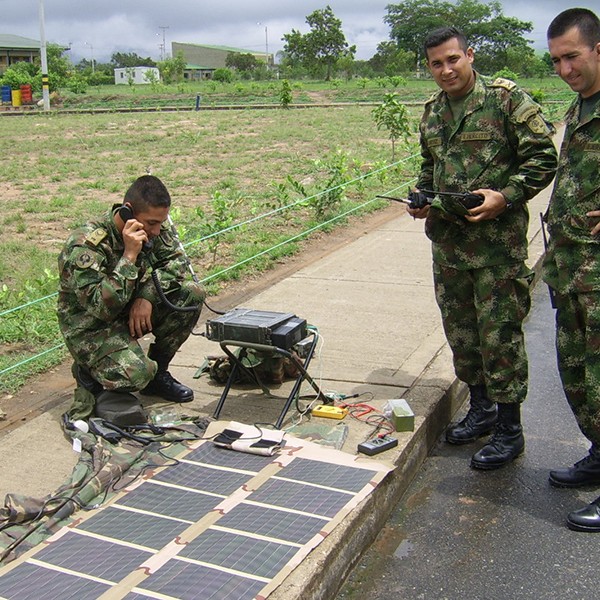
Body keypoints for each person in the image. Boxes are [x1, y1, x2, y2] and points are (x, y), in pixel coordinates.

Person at [408, 27, 558, 469]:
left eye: (453, 59)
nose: (446, 70)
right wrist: (421, 195)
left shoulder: (506, 100)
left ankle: (510, 430)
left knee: (500, 338)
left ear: (469, 55)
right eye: (437, 63)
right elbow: (428, 166)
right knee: (463, 335)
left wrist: (506, 196)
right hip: (450, 247)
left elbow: (543, 159)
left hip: (496, 248)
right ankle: (482, 409)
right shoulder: (432, 112)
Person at [57, 175, 205, 425]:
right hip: (91, 326)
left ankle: (158, 375)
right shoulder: (85, 246)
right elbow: (101, 308)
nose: (156, 231)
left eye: (160, 223)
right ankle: (89, 371)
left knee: (191, 293)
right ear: (128, 212)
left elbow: (177, 264)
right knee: (138, 374)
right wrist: (129, 255)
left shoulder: (152, 225)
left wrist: (146, 297)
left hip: (127, 307)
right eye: (151, 224)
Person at [543, 8, 600, 532]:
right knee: (580, 377)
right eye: (557, 59)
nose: (564, 68)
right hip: (571, 271)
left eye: (573, 56)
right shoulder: (580, 108)